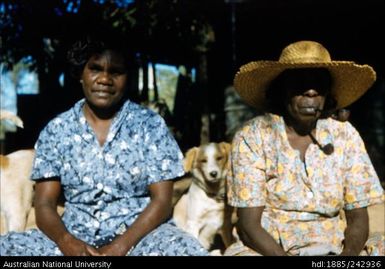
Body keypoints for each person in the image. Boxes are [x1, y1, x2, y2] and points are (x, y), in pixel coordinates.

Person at [0, 31, 208, 256]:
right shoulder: (57, 130)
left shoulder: (150, 126)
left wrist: (121, 246)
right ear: (81, 73)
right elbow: (44, 204)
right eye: (95, 69)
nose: (105, 79)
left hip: (141, 237)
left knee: (184, 249)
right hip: (73, 237)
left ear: (127, 77)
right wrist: (65, 241)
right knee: (9, 249)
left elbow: (162, 201)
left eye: (116, 72)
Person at [225, 40, 384, 256]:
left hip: (334, 248)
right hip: (270, 249)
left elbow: (358, 218)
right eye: (300, 84)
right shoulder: (253, 137)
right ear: (281, 90)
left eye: (319, 85)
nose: (311, 92)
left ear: (328, 94)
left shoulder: (344, 136)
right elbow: (250, 225)